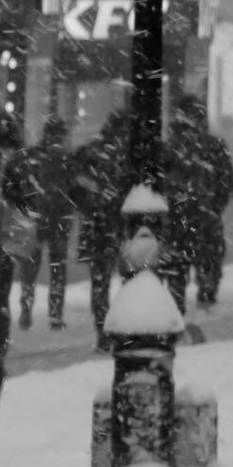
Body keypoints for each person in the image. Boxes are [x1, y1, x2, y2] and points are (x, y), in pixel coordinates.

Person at [0, 117, 75, 330]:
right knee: (57, 268)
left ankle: (26, 306)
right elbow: (74, 189)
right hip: (59, 220)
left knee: (30, 268)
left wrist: (22, 203)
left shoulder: (30, 157)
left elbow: (10, 181)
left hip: (37, 219)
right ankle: (55, 315)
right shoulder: (65, 160)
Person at [69, 108, 134, 340]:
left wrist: (90, 206)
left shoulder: (89, 153)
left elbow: (73, 187)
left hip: (97, 226)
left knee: (100, 283)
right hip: (123, 227)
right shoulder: (129, 156)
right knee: (132, 279)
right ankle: (126, 329)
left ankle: (103, 332)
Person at [170, 96, 233, 313]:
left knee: (176, 272)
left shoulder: (169, 148)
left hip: (176, 221)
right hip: (206, 219)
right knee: (208, 266)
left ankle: (176, 311)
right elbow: (226, 184)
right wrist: (212, 207)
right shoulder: (215, 146)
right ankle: (204, 305)